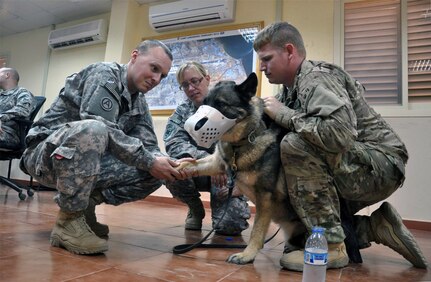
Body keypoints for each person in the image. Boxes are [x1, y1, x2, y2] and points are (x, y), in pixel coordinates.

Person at [253, 22, 428, 270]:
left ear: (290, 51)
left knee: (295, 145)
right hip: (358, 163)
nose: (262, 67)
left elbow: (339, 135)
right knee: (297, 216)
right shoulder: (290, 90)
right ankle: (375, 227)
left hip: (381, 164)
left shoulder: (316, 78)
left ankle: (331, 248)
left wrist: (283, 114)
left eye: (267, 58)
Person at [20, 40, 192, 255]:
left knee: (155, 171)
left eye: (163, 76)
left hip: (82, 162)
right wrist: (149, 160)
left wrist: (167, 163)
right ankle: (68, 222)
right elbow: (98, 123)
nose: (156, 79)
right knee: (95, 128)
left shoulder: (139, 102)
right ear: (135, 56)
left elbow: (148, 146)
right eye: (154, 68)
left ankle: (85, 207)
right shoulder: (105, 73)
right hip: (44, 156)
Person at [163, 62, 250, 235]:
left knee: (229, 228)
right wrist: (210, 164)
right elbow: (174, 144)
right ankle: (195, 208)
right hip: (201, 170)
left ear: (207, 79)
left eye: (195, 81)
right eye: (185, 85)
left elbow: (247, 145)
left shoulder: (229, 104)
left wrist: (224, 167)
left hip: (226, 175)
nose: (191, 88)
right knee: (170, 169)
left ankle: (223, 213)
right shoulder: (181, 113)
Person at [0, 67, 35, 148]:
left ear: (7, 75)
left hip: (9, 134)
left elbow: (23, 110)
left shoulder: (22, 93)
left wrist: (1, 118)